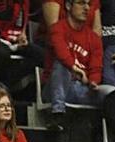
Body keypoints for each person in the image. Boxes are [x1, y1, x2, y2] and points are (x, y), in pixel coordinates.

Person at [43, 0, 102, 129]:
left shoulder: (94, 37)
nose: (86, 8)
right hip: (54, 88)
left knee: (109, 94)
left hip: (81, 88)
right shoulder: (57, 28)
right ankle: (58, 115)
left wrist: (93, 81)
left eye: (88, 4)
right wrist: (74, 68)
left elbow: (96, 67)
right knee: (60, 64)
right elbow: (61, 52)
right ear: (69, 6)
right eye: (81, 3)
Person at [0, 0, 44, 90]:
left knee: (40, 54)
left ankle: (9, 83)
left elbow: (22, 24)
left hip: (14, 40)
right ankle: (2, 83)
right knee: (3, 53)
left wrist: (22, 35)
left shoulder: (24, 2)